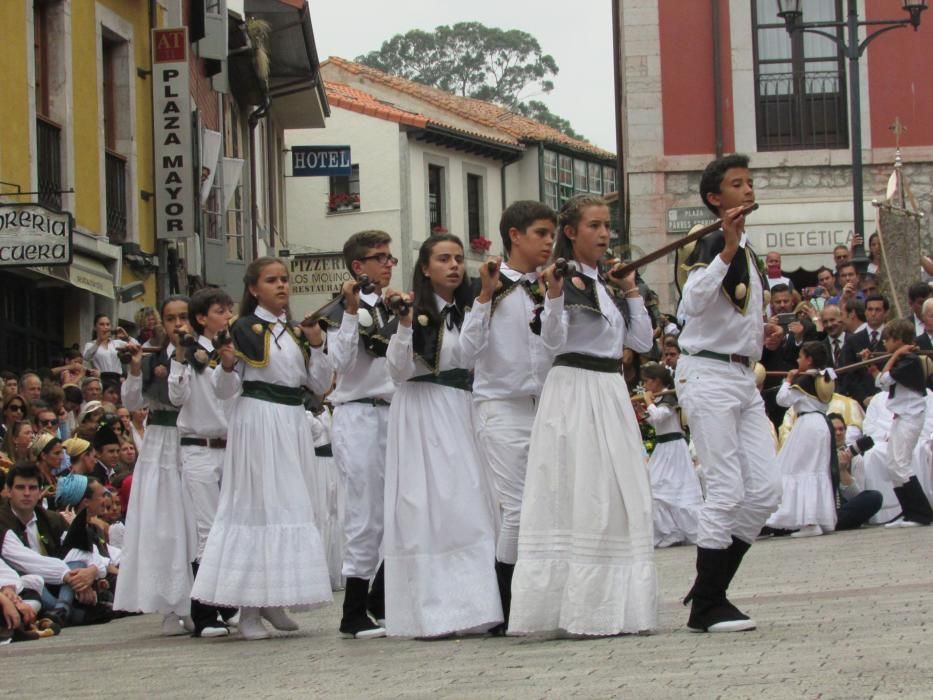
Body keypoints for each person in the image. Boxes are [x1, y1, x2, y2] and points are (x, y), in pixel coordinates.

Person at [509, 194, 656, 637]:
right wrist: (552, 294)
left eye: (607, 226)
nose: (604, 234)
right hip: (574, 390)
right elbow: (552, 342)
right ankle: (569, 606)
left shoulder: (606, 286)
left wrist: (631, 289)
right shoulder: (561, 281)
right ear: (571, 233)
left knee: (617, 490)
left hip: (610, 390)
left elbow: (643, 343)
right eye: (594, 226)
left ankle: (614, 605)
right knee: (580, 488)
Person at [191, 257, 333, 641]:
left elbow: (317, 383)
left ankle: (275, 597)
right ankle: (249, 608)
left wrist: (318, 344)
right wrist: (223, 367)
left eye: (285, 279)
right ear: (254, 289)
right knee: (258, 506)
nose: (282, 286)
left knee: (290, 505)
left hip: (290, 421)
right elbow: (224, 392)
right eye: (272, 280)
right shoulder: (241, 329)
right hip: (258, 421)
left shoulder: (294, 332)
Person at [674, 154, 780, 633]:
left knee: (764, 492)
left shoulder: (748, 248)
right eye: (738, 184)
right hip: (709, 374)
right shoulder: (712, 240)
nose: (748, 189)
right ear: (716, 198)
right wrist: (724, 250)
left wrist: (763, 333)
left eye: (750, 182)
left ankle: (710, 585)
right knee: (725, 490)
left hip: (742, 376)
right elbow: (690, 305)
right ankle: (708, 605)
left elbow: (733, 314)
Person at [382, 234, 502, 638]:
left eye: (457, 259)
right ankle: (433, 611)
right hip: (422, 411)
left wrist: (485, 295)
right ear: (425, 267)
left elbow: (470, 354)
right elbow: (398, 371)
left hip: (457, 408)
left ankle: (475, 605)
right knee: (429, 506)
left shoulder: (461, 310)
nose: (453, 265)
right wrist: (402, 324)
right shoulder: (411, 311)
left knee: (468, 503)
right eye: (443, 259)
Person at [459, 200, 557, 633]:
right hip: (500, 405)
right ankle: (505, 602)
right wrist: (483, 296)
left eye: (552, 234)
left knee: (545, 505)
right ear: (514, 236)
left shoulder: (548, 286)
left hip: (546, 404)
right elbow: (466, 351)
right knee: (516, 509)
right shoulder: (489, 287)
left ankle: (538, 597)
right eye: (540, 233)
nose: (548, 242)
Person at [316, 230, 398, 640]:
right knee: (364, 512)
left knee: (394, 509)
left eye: (389, 257)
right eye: (379, 257)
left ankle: (378, 599)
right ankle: (352, 610)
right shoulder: (338, 312)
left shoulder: (390, 305)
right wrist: (350, 311)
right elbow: (341, 362)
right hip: (358, 413)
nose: (387, 263)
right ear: (357, 267)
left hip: (391, 411)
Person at [113, 296, 196, 636]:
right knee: (166, 523)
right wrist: (133, 368)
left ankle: (202, 603)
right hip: (162, 440)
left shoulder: (203, 351)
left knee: (196, 520)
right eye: (171, 318)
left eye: (184, 317)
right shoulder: (151, 356)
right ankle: (171, 605)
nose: (178, 324)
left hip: (195, 437)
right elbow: (132, 402)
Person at [167, 287, 238, 639]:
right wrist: (180, 358)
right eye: (219, 310)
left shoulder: (232, 352)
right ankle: (204, 612)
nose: (227, 315)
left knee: (232, 527)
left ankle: (228, 602)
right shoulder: (192, 354)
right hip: (199, 447)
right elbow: (176, 396)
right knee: (208, 531)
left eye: (229, 309)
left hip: (230, 447)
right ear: (201, 318)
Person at [765, 342, 837, 537]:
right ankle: (816, 518)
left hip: (807, 425)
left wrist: (788, 381)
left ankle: (810, 522)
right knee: (814, 469)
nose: (797, 360)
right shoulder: (825, 376)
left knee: (800, 469)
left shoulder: (805, 380)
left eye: (800, 356)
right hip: (821, 424)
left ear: (809, 359)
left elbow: (783, 400)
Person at [872, 319, 933, 527]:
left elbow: (885, 379)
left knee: (901, 465)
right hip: (901, 417)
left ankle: (921, 513)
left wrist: (896, 355)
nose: (885, 344)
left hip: (910, 417)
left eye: (887, 340)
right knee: (893, 464)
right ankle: (909, 512)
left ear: (898, 340)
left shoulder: (910, 360)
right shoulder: (903, 360)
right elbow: (879, 382)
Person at [638, 363, 701, 547]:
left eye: (647, 381)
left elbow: (661, 416)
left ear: (656, 381)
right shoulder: (660, 398)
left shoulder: (668, 396)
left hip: (674, 448)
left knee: (671, 488)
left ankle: (677, 531)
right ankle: (669, 530)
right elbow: (656, 422)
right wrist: (645, 412)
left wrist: (649, 403)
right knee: (654, 486)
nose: (645, 385)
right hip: (663, 447)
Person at [829, 413, 883, 530]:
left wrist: (843, 471)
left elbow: (857, 496)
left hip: (844, 510)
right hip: (824, 511)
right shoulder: (820, 455)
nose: (838, 433)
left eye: (841, 429)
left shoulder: (855, 457)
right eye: (834, 430)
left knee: (874, 497)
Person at [82, 314, 128, 380]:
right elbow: (86, 357)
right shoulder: (90, 344)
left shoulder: (117, 343)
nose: (105, 327)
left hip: (117, 380)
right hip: (101, 379)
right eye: (102, 324)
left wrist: (127, 337)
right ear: (95, 327)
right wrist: (99, 341)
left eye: (108, 324)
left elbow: (138, 348)